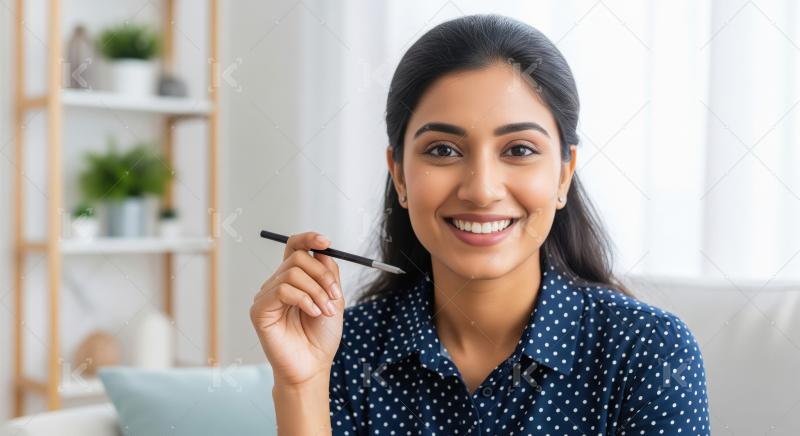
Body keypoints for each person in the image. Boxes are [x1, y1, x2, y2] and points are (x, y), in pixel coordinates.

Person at [251, 14, 711, 435]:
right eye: (443, 151)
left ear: (563, 174)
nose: (482, 190)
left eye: (519, 150)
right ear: (399, 175)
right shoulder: (342, 350)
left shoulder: (648, 352)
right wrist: (301, 387)